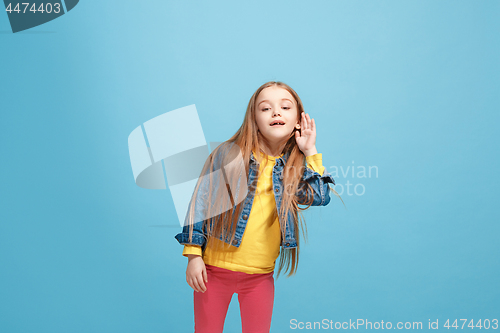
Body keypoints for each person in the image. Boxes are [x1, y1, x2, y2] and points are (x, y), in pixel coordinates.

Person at [174, 81, 340, 333]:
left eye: (285, 107)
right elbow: (201, 202)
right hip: (214, 271)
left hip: (260, 276)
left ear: (298, 120)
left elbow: (321, 196)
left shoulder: (293, 169)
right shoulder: (229, 155)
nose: (276, 112)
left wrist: (310, 151)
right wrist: (193, 254)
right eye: (266, 109)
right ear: (254, 119)